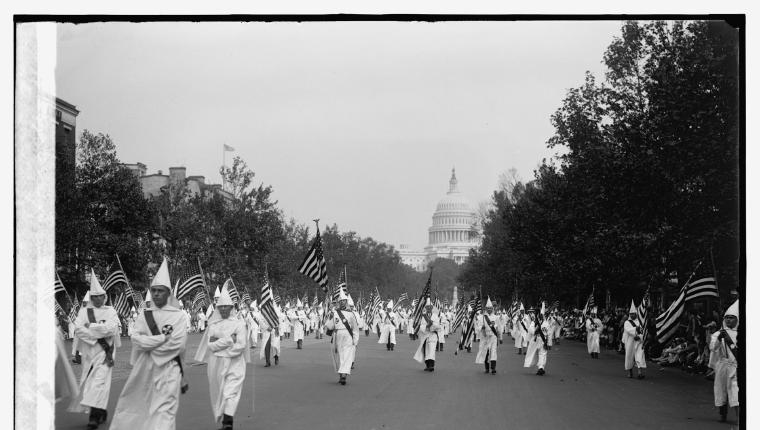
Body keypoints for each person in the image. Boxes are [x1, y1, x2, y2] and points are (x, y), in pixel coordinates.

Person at [110, 258, 189, 430]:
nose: (156, 294)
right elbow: (136, 340)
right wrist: (160, 339)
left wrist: (149, 344)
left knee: (165, 410)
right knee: (141, 406)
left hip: (170, 368)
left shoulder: (179, 316)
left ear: (168, 294)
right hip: (145, 368)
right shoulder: (144, 315)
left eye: (160, 291)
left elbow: (177, 345)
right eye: (153, 290)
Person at [67, 270, 121, 429]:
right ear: (91, 297)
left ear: (104, 296)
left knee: (99, 383)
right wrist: (99, 330)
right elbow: (78, 330)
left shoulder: (110, 311)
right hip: (89, 355)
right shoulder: (84, 312)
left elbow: (112, 329)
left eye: (101, 296)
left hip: (105, 354)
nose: (98, 299)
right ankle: (100, 411)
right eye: (95, 296)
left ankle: (94, 417)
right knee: (91, 385)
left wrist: (92, 327)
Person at [194, 285, 250, 430]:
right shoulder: (213, 325)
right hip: (216, 364)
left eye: (227, 306)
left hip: (235, 364)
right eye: (221, 307)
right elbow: (210, 345)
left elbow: (240, 346)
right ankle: (225, 420)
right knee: (218, 392)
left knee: (230, 392)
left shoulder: (239, 324)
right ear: (218, 308)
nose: (224, 309)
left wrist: (222, 344)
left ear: (231, 307)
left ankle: (227, 424)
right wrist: (229, 340)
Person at [709, 300, 739, 423]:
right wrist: (719, 339)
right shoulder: (718, 334)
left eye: (732, 318)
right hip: (722, 365)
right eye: (727, 318)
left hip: (735, 366)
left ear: (737, 319)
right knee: (721, 390)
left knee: (736, 391)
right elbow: (713, 348)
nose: (729, 320)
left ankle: (739, 418)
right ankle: (723, 414)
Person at [325, 290, 358, 385]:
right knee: (340, 355)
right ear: (339, 302)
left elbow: (355, 328)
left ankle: (344, 375)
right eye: (341, 300)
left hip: (348, 335)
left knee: (347, 354)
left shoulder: (351, 314)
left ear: (346, 302)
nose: (342, 302)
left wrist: (355, 340)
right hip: (337, 335)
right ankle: (341, 373)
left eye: (344, 300)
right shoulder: (335, 313)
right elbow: (330, 326)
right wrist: (329, 317)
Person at [413, 298, 441, 372]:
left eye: (430, 307)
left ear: (432, 307)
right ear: (425, 308)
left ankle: (431, 365)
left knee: (431, 350)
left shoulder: (435, 316)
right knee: (426, 351)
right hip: (425, 335)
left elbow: (437, 326)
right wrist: (427, 327)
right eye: (427, 307)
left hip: (432, 335)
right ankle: (427, 365)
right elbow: (421, 326)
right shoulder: (423, 317)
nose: (428, 308)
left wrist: (431, 326)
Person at [475, 297, 500, 374]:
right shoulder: (482, 317)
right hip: (485, 337)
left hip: (493, 337)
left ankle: (493, 368)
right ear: (486, 309)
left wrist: (500, 338)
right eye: (488, 308)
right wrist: (481, 327)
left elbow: (499, 328)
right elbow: (478, 326)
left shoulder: (496, 317)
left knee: (493, 352)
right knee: (485, 352)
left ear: (492, 309)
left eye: (490, 308)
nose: (489, 309)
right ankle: (486, 368)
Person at [623, 301, 646, 379]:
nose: (632, 315)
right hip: (630, 342)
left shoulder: (640, 322)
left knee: (639, 356)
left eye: (633, 314)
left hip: (638, 342)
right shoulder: (627, 322)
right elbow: (628, 330)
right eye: (631, 314)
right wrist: (636, 329)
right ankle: (630, 372)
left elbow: (643, 331)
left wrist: (640, 337)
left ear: (636, 314)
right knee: (629, 357)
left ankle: (640, 373)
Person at [524, 305, 550, 375]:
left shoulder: (535, 322)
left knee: (542, 353)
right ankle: (540, 367)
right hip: (539, 339)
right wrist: (549, 343)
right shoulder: (544, 323)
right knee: (541, 353)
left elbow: (531, 331)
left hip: (539, 340)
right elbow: (532, 331)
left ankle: (541, 368)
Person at [71, 291, 90, 364]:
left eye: (86, 302)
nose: (84, 303)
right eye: (84, 302)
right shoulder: (81, 310)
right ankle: (78, 359)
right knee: (77, 344)